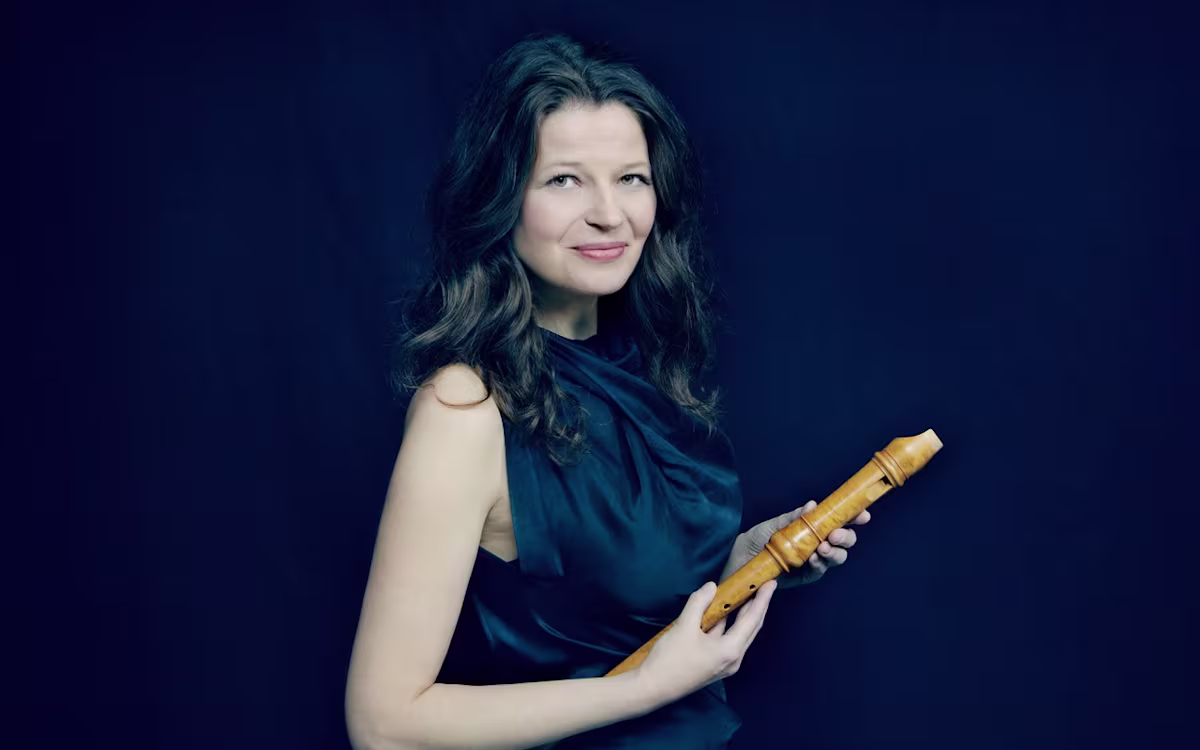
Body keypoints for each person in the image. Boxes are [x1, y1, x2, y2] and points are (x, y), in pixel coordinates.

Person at [344, 33, 868, 750]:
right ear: (501, 197)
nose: (609, 214)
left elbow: (606, 606)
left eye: (632, 178)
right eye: (564, 180)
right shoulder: (462, 407)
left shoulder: (641, 363)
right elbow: (383, 725)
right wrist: (642, 689)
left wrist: (745, 560)